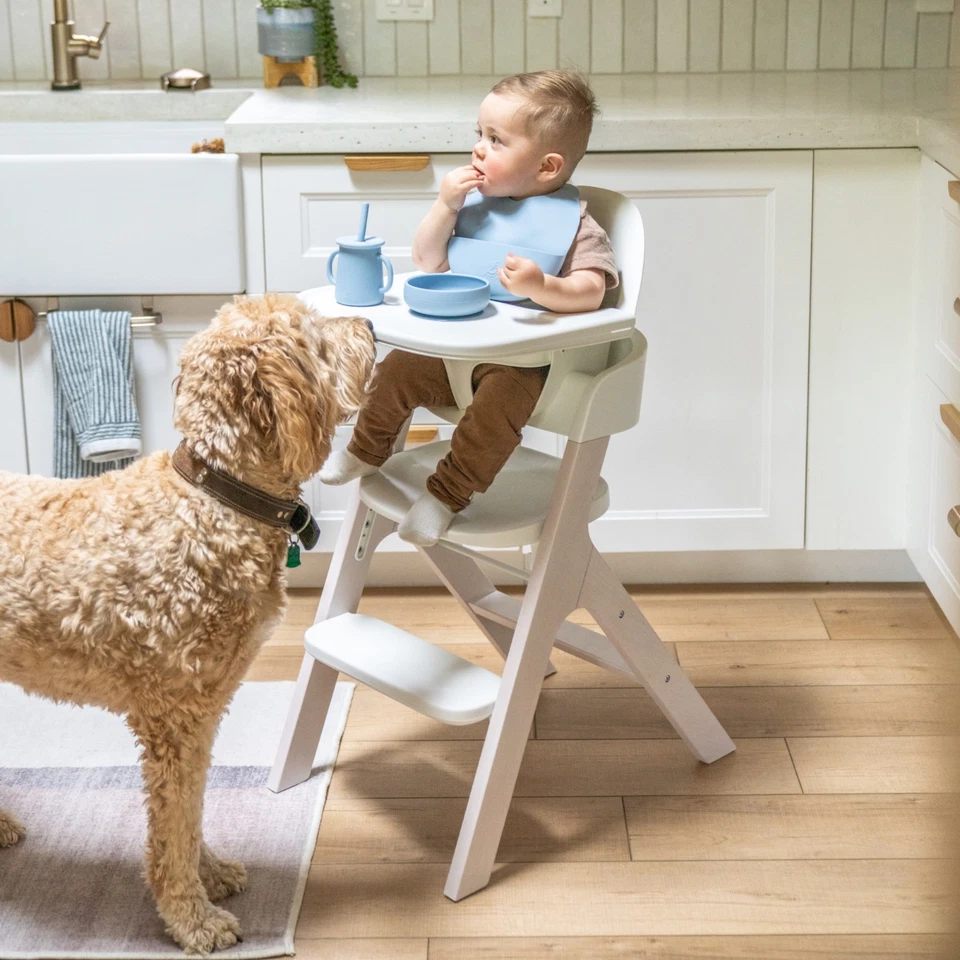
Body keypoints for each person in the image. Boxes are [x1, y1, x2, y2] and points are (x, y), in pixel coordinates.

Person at [320, 69, 619, 546]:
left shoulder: (576, 224)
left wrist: (541, 285)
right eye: (479, 134)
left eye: (497, 140)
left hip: (526, 368)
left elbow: (593, 289)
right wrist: (445, 206)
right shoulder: (475, 203)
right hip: (452, 351)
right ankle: (365, 448)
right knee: (395, 369)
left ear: (547, 167)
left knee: (493, 418)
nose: (479, 148)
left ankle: (446, 495)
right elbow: (427, 260)